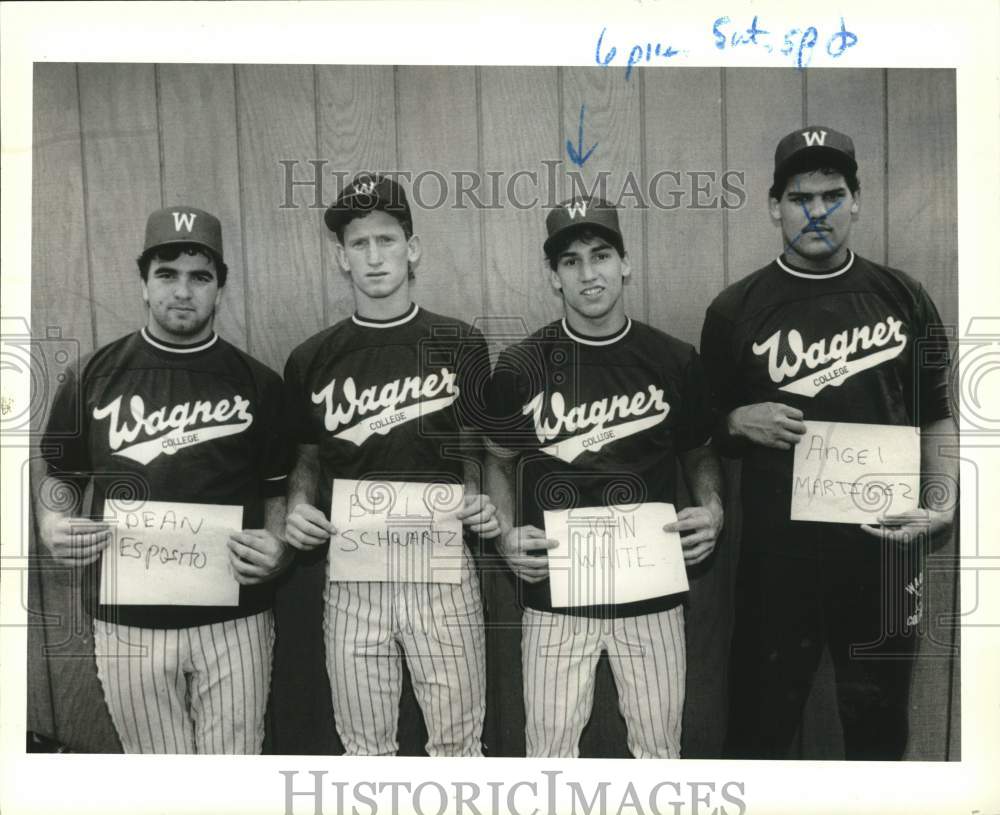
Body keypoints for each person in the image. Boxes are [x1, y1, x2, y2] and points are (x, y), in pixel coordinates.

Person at [700, 126, 957, 759]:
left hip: (884, 553)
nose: (818, 210)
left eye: (833, 194)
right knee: (758, 732)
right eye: (800, 196)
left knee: (879, 730)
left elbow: (937, 416)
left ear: (857, 200)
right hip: (778, 561)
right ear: (774, 206)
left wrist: (944, 503)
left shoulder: (903, 298)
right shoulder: (736, 309)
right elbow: (703, 429)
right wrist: (738, 420)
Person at [35, 205, 291, 753]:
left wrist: (279, 543)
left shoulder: (259, 384)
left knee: (233, 773)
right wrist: (53, 521)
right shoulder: (93, 375)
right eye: (166, 274)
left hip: (235, 616)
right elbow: (60, 474)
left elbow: (277, 489)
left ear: (220, 288)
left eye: (200, 276)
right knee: (157, 777)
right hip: (129, 619)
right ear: (144, 285)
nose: (182, 291)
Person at [484, 196, 724, 758]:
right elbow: (497, 460)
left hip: (651, 590)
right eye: (571, 261)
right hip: (555, 593)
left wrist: (713, 508)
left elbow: (700, 451)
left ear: (625, 263)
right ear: (553, 276)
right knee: (548, 752)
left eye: (600, 255)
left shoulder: (673, 359)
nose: (588, 273)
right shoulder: (520, 366)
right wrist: (502, 534)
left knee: (658, 749)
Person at [282, 173, 500, 756]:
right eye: (359, 244)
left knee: (457, 745)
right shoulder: (311, 357)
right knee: (364, 749)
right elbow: (305, 457)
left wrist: (477, 493)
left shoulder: (460, 342)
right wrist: (300, 506)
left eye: (386, 239)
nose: (375, 257)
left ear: (413, 248)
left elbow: (474, 447)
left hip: (443, 569)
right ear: (341, 258)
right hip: (354, 574)